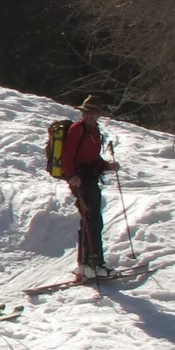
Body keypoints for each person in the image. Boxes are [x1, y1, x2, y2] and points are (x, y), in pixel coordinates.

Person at [63, 96, 117, 279]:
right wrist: (71, 177)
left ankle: (84, 264)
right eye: (87, 112)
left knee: (88, 219)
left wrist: (106, 166)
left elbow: (93, 158)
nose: (89, 115)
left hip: (90, 177)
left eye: (93, 112)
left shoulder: (94, 131)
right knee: (93, 220)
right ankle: (94, 265)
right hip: (80, 179)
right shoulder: (78, 129)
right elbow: (67, 156)